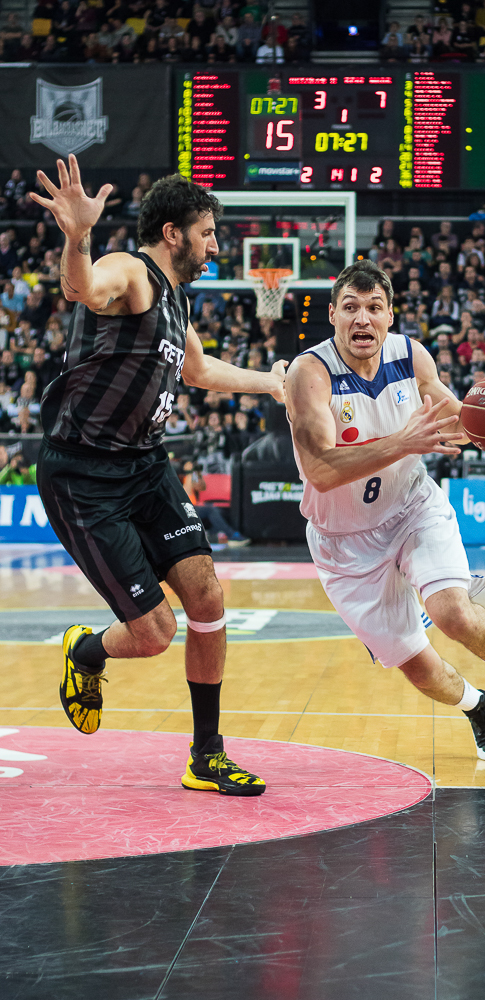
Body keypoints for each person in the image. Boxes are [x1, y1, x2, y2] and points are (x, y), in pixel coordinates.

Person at [30, 156, 287, 796]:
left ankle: (207, 755)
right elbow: (86, 287)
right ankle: (87, 652)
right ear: (173, 233)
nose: (215, 244)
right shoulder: (135, 274)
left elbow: (199, 371)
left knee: (208, 598)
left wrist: (271, 384)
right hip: (83, 475)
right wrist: (78, 236)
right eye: (207, 232)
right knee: (154, 634)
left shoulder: (176, 303)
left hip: (144, 465)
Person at [285, 259, 485, 763]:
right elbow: (322, 471)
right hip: (343, 541)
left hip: (412, 508)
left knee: (451, 611)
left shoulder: (411, 355)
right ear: (332, 315)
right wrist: (403, 441)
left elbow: (455, 422)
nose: (364, 319)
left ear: (390, 315)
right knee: (419, 668)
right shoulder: (309, 374)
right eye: (352, 308)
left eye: (375, 308)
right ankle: (478, 707)